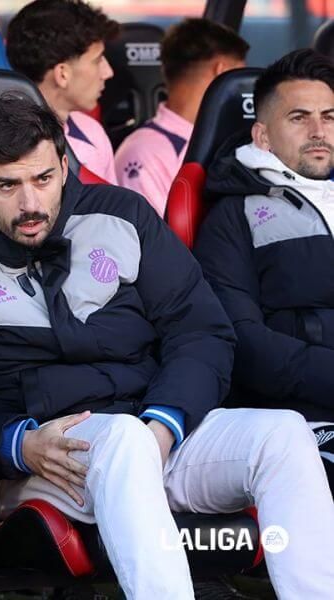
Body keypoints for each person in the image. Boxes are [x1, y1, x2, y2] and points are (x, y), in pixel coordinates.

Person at [0, 93, 334, 599]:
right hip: (47, 457)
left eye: (44, 179)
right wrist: (16, 444)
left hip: (157, 431)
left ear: (65, 166)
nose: (31, 204)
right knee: (126, 442)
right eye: (8, 185)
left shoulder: (122, 215)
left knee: (284, 434)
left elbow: (202, 329)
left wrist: (167, 421)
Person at [194, 49, 334, 485]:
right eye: (299, 117)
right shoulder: (233, 215)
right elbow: (241, 341)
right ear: (263, 136)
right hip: (297, 416)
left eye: (329, 116)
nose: (318, 132)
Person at [115, 18, 248, 215]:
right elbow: (154, 241)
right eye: (239, 75)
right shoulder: (144, 152)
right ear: (221, 71)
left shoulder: (229, 141)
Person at [6, 0, 119, 184]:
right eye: (97, 60)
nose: (108, 72)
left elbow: (114, 211)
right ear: (62, 74)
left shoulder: (92, 133)